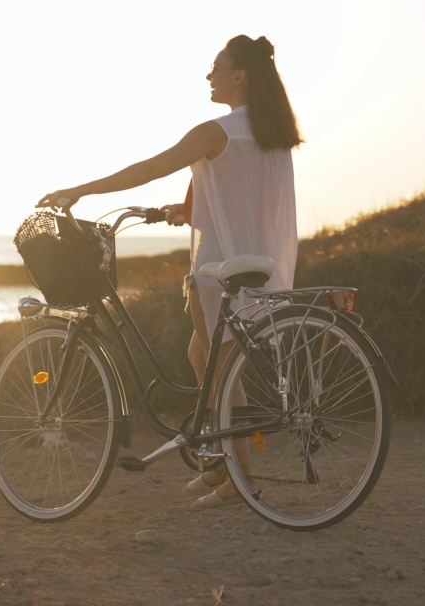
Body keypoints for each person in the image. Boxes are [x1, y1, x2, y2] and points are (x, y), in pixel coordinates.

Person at [37, 35, 301, 509]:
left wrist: (80, 190)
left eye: (216, 67)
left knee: (219, 371)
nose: (208, 76)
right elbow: (236, 186)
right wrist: (184, 208)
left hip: (221, 266)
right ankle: (223, 463)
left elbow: (149, 167)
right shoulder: (267, 131)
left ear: (238, 76)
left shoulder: (215, 130)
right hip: (259, 259)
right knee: (202, 354)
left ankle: (238, 480)